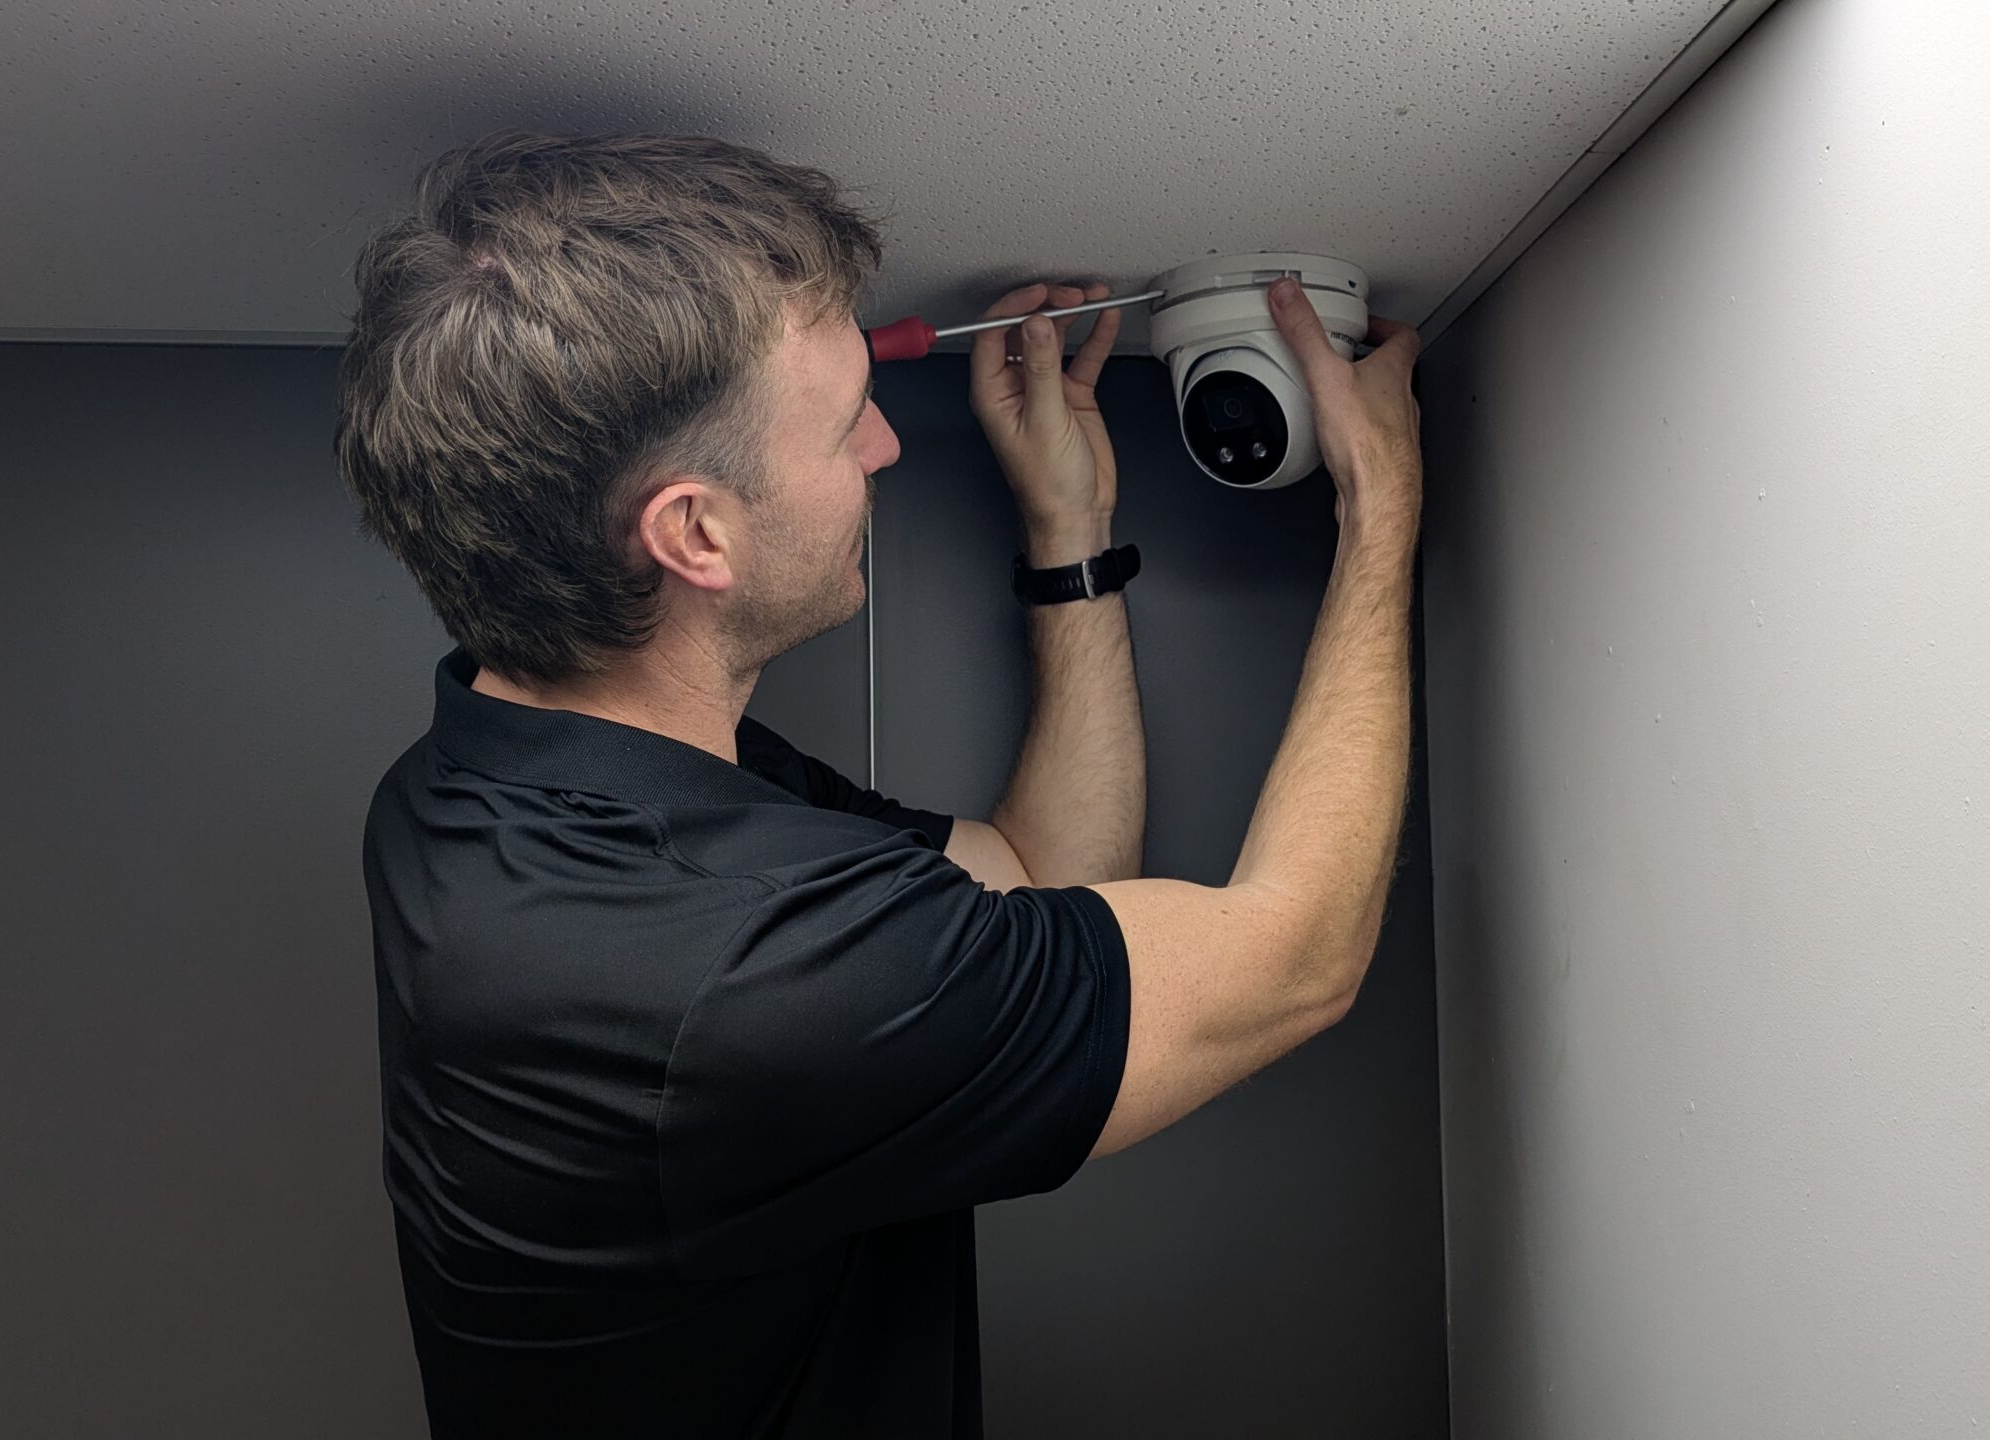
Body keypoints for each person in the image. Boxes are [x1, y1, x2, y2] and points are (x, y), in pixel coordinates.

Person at [335, 128, 1423, 1439]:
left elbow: (1032, 878)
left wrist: (1068, 534)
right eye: (847, 416)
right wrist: (1380, 522)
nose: (885, 450)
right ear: (696, 533)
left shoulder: (486, 775)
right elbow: (1299, 956)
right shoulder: (734, 976)